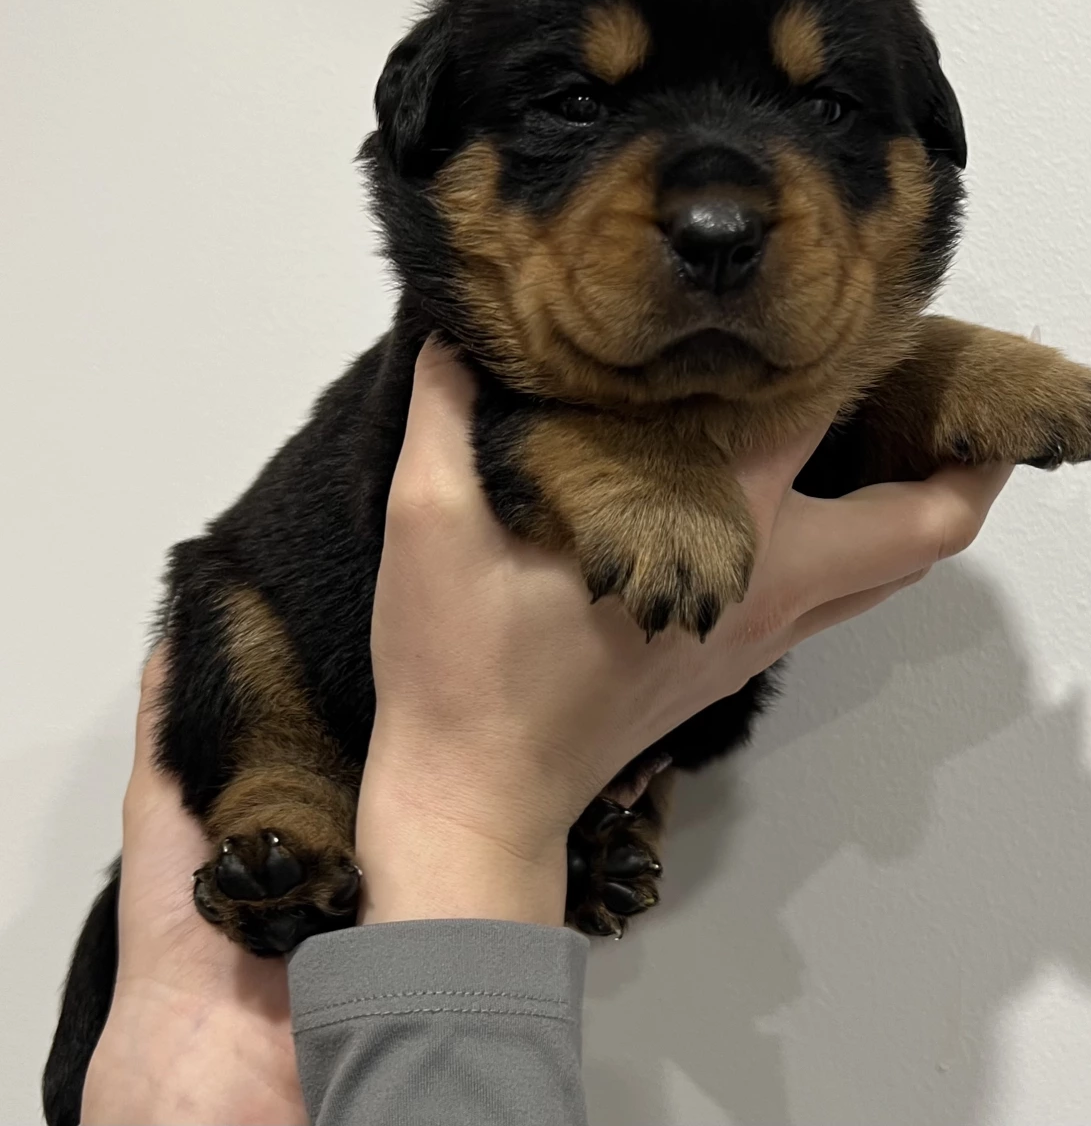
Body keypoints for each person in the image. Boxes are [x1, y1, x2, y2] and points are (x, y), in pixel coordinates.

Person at [80, 340, 1011, 1125]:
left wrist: (933, 370)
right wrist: (484, 810)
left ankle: (586, 819)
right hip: (307, 679)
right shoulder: (500, 340)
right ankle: (286, 808)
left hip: (267, 1049)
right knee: (228, 630)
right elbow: (509, 435)